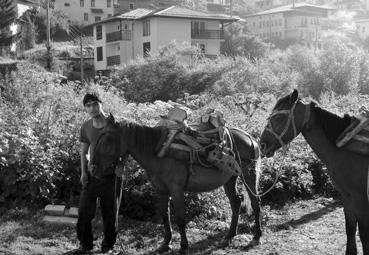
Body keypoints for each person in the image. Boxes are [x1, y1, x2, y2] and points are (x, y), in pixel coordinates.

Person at [71, 92, 119, 254]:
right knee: (84, 211)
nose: (92, 108)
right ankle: (86, 244)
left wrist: (122, 165)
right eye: (88, 105)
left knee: (109, 213)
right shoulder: (86, 127)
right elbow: (84, 151)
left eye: (94, 104)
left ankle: (108, 245)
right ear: (85, 108)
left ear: (101, 103)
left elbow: (125, 148)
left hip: (110, 176)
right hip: (91, 176)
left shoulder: (114, 124)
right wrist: (83, 172)